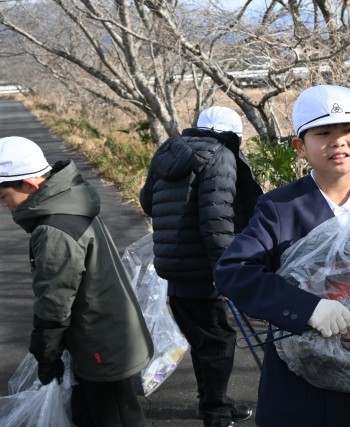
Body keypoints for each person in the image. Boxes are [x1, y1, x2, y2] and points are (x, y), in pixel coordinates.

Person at [214, 85, 350, 427]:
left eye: (348, 130)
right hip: (298, 396)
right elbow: (233, 272)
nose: (338, 142)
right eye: (323, 133)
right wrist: (307, 308)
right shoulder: (280, 209)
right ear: (300, 146)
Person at [0, 136, 154, 427]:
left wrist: (46, 355)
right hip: (105, 332)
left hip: (101, 343)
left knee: (116, 418)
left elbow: (54, 301)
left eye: (4, 197)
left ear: (30, 185)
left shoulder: (54, 228)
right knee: (89, 414)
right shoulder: (71, 202)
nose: (4, 206)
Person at [139, 106, 261, 427]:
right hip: (204, 270)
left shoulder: (167, 152)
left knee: (205, 340)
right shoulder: (220, 156)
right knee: (218, 342)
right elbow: (216, 221)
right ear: (232, 135)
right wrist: (226, 273)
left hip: (174, 266)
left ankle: (211, 403)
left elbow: (147, 203)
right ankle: (216, 414)